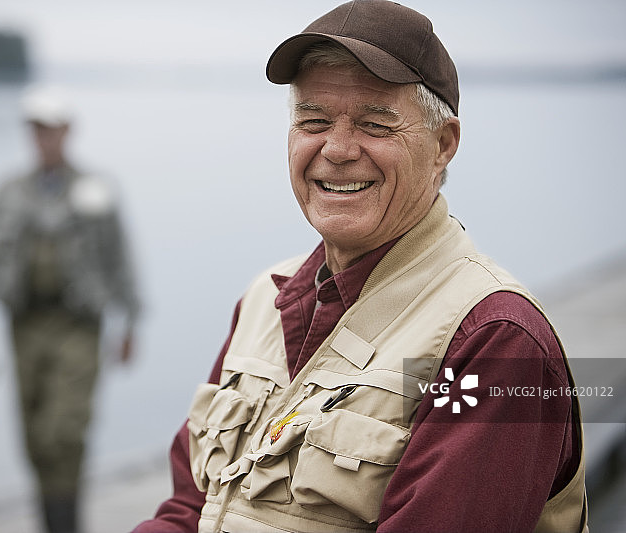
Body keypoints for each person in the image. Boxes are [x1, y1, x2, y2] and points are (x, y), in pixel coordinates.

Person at [133, 1, 587, 532]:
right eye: (313, 121)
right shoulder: (263, 298)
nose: (338, 150)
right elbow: (190, 507)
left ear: (444, 145)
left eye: (375, 124)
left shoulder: (494, 342)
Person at [0, 85, 140, 533]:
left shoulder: (95, 190)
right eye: (36, 130)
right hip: (22, 325)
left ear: (67, 132)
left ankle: (66, 525)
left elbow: (121, 257)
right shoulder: (7, 191)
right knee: (34, 437)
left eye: (52, 130)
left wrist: (129, 324)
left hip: (79, 325)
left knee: (64, 431)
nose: (44, 139)